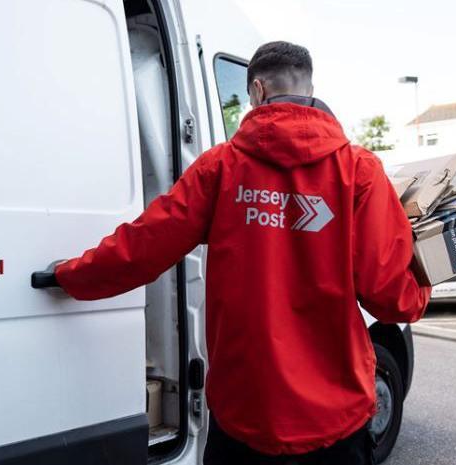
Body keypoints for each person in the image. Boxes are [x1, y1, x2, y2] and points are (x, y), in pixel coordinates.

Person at [52, 41, 431, 464]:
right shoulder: (359, 171)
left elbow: (145, 244)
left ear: (257, 91)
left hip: (244, 415)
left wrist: (71, 276)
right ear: (310, 89)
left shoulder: (221, 168)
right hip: (335, 418)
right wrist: (424, 280)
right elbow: (390, 296)